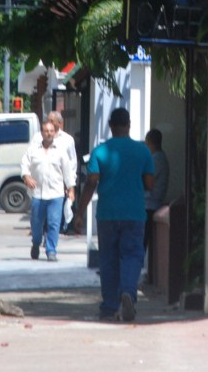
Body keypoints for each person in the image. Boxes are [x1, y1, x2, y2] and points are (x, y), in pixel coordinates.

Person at [74, 108, 154, 322]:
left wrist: (79, 213)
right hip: (134, 213)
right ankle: (128, 292)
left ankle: (109, 306)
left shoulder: (100, 152)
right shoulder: (143, 151)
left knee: (108, 259)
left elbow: (91, 183)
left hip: (107, 214)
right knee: (132, 255)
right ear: (129, 124)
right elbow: (149, 183)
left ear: (110, 126)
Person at [21, 120, 76, 261]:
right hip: (37, 194)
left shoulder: (60, 151)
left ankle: (51, 250)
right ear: (42, 133)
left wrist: (71, 189)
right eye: (46, 131)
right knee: (36, 225)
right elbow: (24, 165)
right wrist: (26, 177)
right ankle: (36, 243)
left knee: (54, 223)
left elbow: (68, 172)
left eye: (52, 131)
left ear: (55, 133)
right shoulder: (33, 150)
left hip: (56, 194)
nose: (49, 133)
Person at [29, 111, 78, 232]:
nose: (49, 122)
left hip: (58, 184)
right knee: (39, 217)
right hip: (40, 185)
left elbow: (72, 163)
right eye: (48, 120)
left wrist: (70, 184)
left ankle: (52, 237)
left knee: (54, 217)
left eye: (52, 120)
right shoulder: (37, 138)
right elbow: (29, 158)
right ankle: (40, 234)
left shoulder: (67, 140)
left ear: (60, 123)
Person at [143, 129, 169, 257]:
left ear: (149, 142)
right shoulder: (159, 158)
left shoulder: (156, 159)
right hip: (151, 203)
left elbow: (147, 181)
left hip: (150, 204)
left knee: (142, 241)